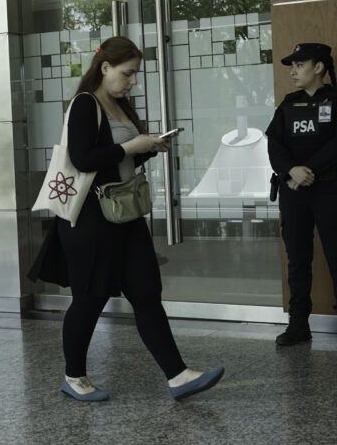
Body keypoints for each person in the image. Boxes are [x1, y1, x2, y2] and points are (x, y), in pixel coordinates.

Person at [29, 37, 224, 402]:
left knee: (147, 293)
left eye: (135, 74)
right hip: (90, 219)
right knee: (89, 299)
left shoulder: (120, 105)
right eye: (127, 73)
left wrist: (148, 149)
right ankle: (73, 377)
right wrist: (130, 147)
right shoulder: (86, 104)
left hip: (124, 215)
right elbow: (84, 159)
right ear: (105, 68)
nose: (132, 80)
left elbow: (119, 162)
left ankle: (178, 375)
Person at [266, 43, 337, 351]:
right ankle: (298, 326)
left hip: (330, 190)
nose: (293, 71)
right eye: (291, 65)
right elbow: (274, 145)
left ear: (318, 68)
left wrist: (308, 170)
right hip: (294, 192)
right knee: (297, 260)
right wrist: (291, 170)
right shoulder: (289, 104)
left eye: (299, 64)